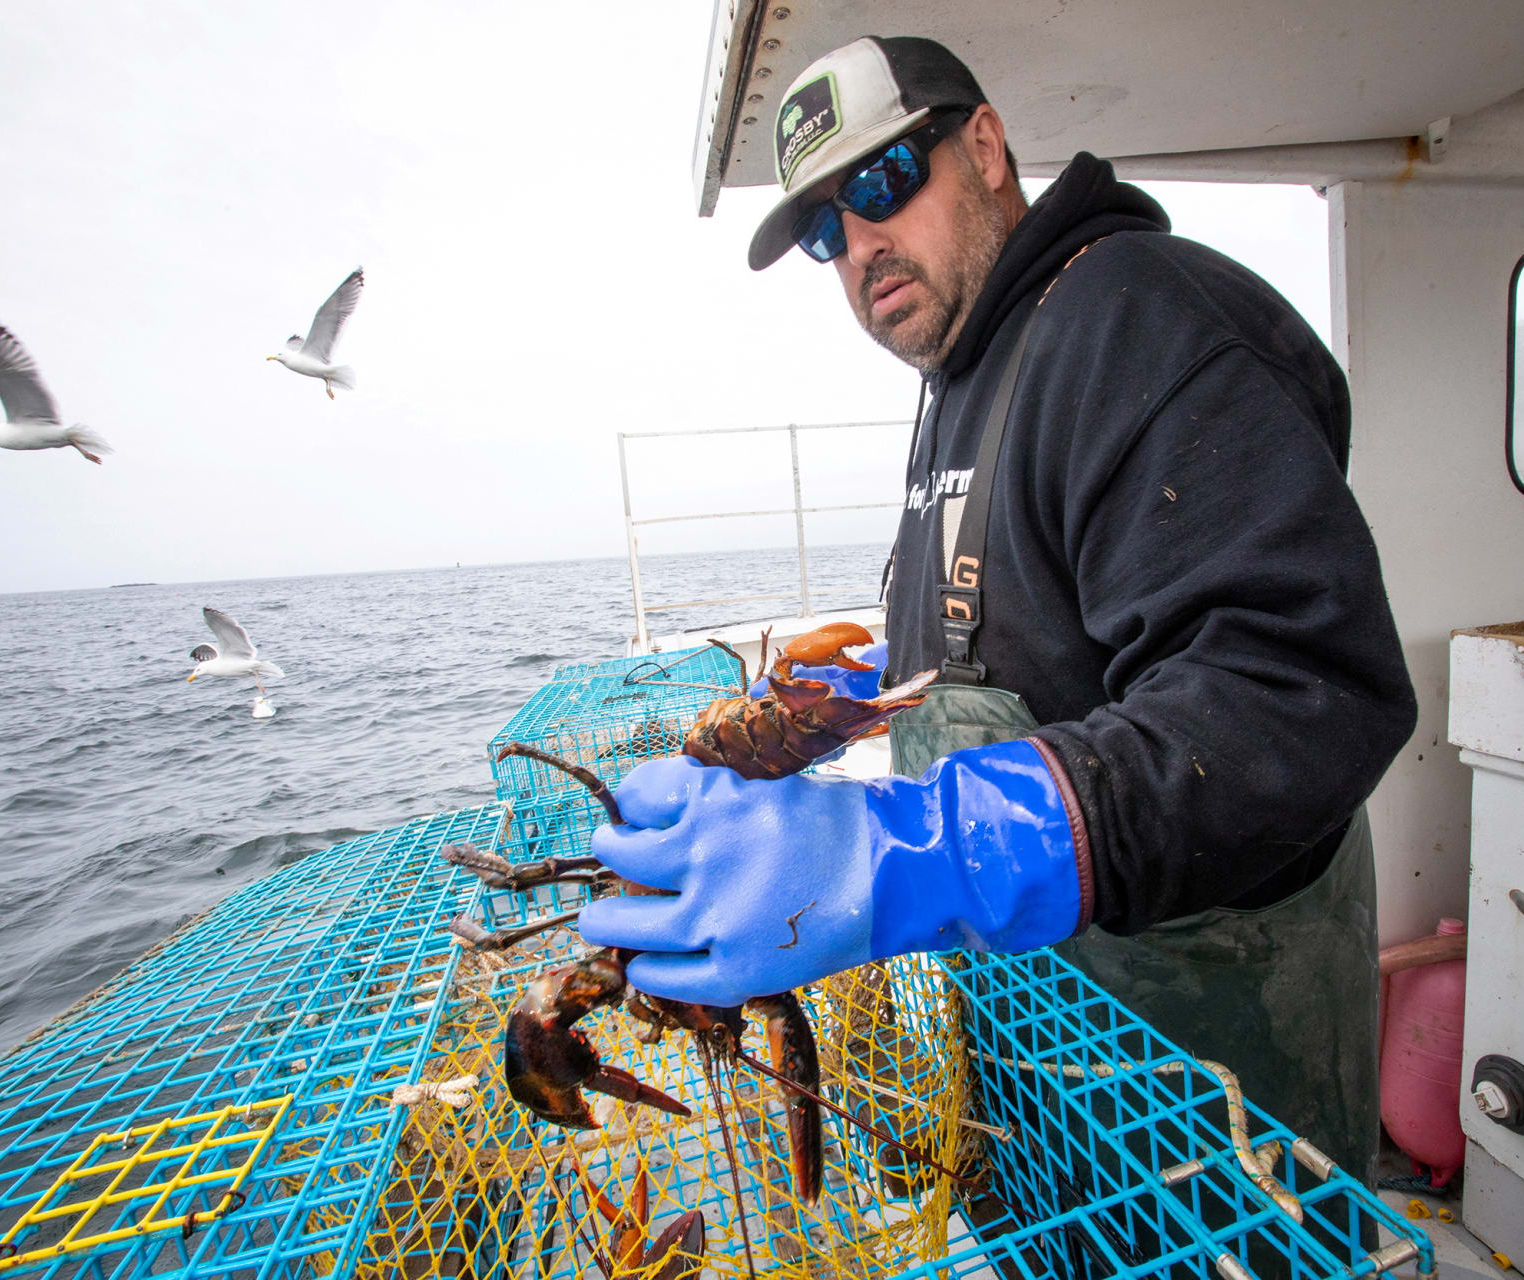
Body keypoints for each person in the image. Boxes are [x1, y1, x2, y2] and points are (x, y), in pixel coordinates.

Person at [579, 34, 1417, 1190]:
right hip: (1050, 1073)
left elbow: (1294, 694)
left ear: (984, 147)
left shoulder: (1140, 319)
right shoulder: (968, 370)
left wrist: (908, 848)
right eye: (826, 227)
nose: (861, 242)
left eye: (882, 184)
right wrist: (828, 728)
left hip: (1216, 1090)